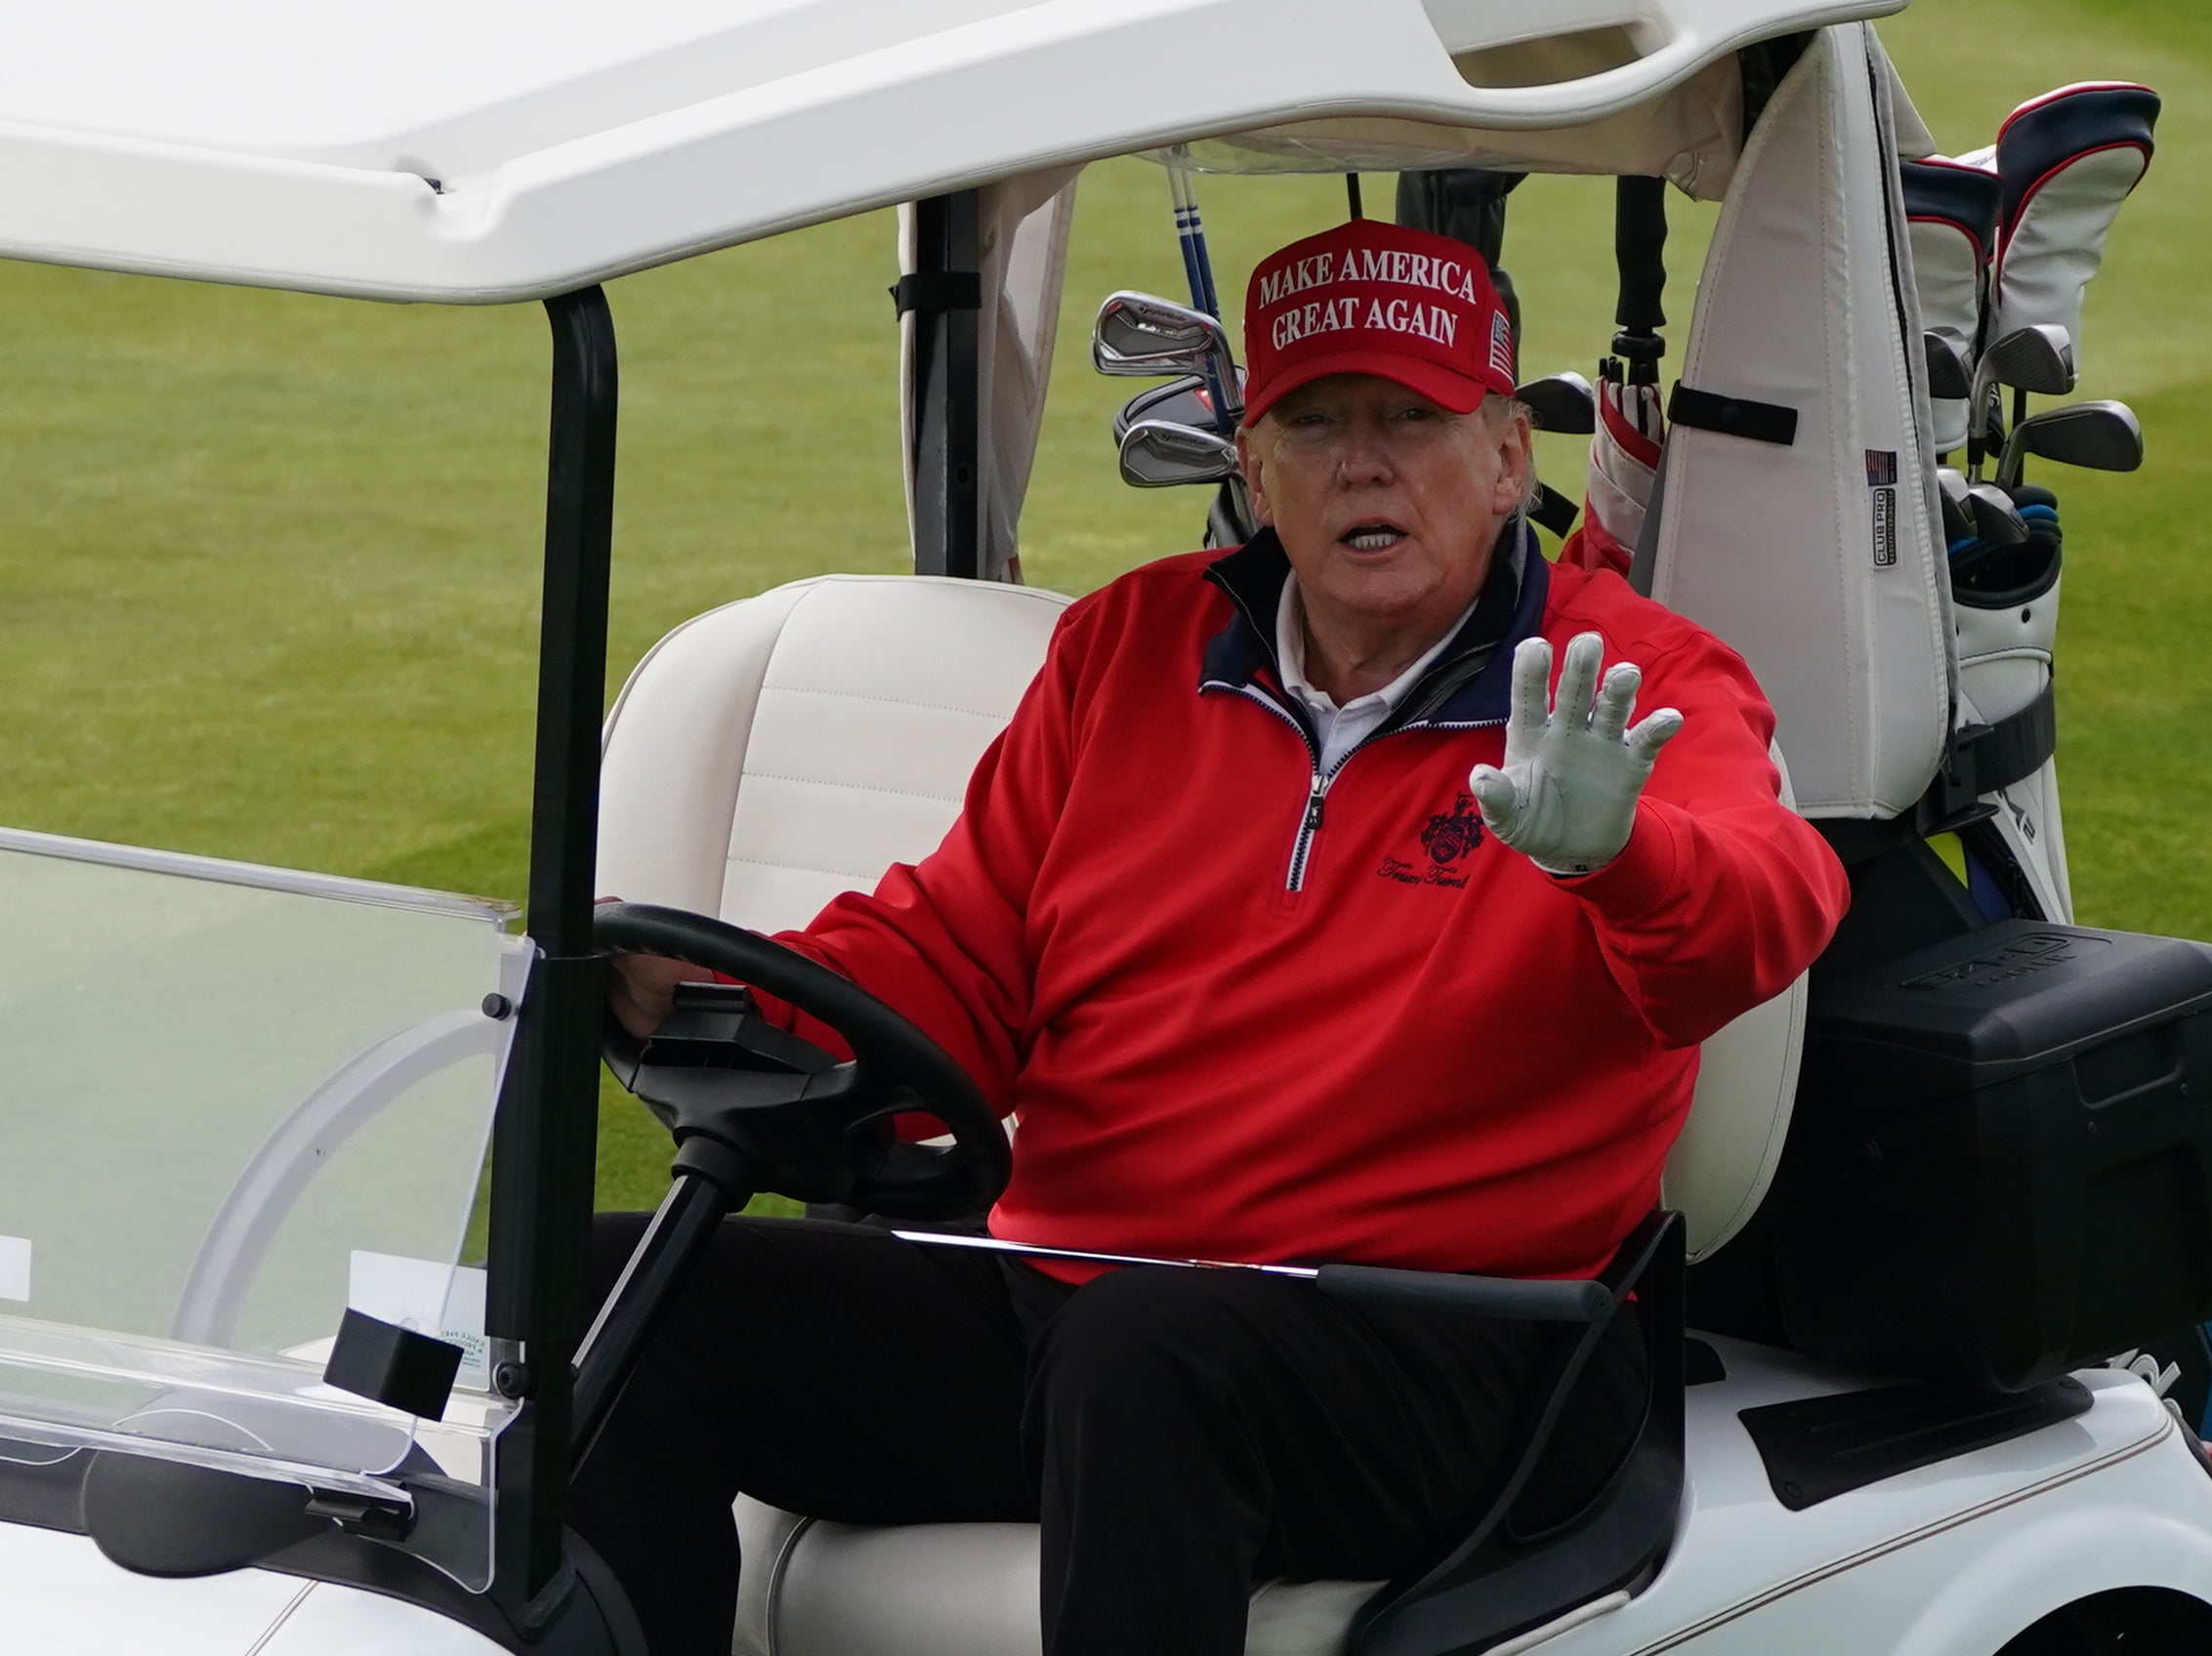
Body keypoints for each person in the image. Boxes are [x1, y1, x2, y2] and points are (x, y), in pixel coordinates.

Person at [587, 217, 1848, 1656]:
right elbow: (956, 952)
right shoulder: (1134, 649)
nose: (1364, 463)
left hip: (1455, 1343)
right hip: (1087, 1306)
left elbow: (1762, 917)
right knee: (626, 1295)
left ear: (1508, 455)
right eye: (1314, 422)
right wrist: (698, 989)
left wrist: (1618, 854)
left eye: (1414, 419)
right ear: (1254, 468)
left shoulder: (1621, 683)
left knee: (1149, 1349)